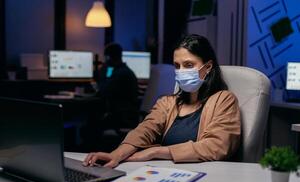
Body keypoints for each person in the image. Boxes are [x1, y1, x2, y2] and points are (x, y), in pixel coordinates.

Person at [84, 34, 241, 167]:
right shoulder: (168, 102)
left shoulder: (224, 100)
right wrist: (116, 155)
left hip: (204, 178)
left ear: (207, 67)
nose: (181, 71)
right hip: (164, 174)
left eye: (188, 65)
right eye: (177, 66)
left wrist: (156, 151)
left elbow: (217, 146)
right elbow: (144, 130)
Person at [81, 43, 139, 151]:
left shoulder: (120, 74)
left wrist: (103, 71)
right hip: (126, 115)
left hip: (121, 118)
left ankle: (86, 154)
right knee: (91, 122)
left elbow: (103, 91)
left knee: (88, 127)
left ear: (108, 57)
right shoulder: (124, 70)